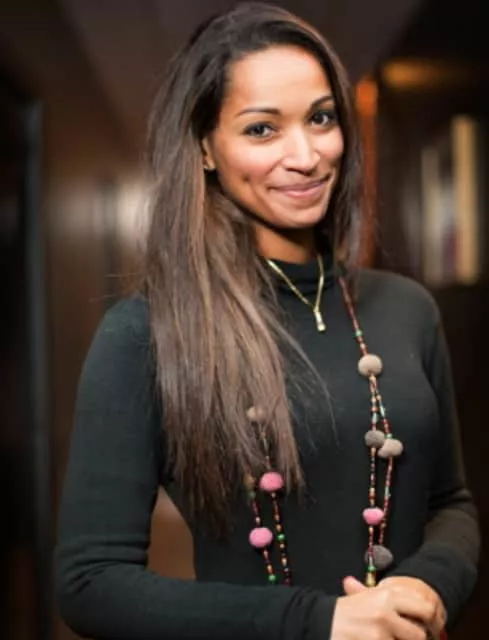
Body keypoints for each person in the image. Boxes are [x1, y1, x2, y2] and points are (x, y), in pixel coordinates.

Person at [55, 3, 479, 639]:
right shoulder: (146, 333)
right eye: (262, 129)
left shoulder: (407, 307)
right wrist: (321, 622)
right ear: (205, 148)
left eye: (321, 118)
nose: (306, 155)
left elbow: (451, 504)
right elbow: (90, 583)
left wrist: (427, 587)